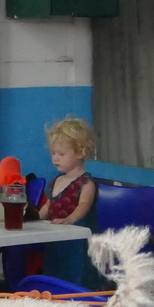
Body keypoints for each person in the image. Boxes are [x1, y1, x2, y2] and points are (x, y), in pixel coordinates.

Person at [38, 117, 98, 283]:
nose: (55, 158)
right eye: (53, 153)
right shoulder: (57, 180)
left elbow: (84, 204)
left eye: (61, 154)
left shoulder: (86, 183)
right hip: (55, 240)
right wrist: (35, 217)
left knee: (75, 278)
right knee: (54, 276)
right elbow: (48, 205)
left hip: (77, 245)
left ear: (81, 152)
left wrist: (70, 219)